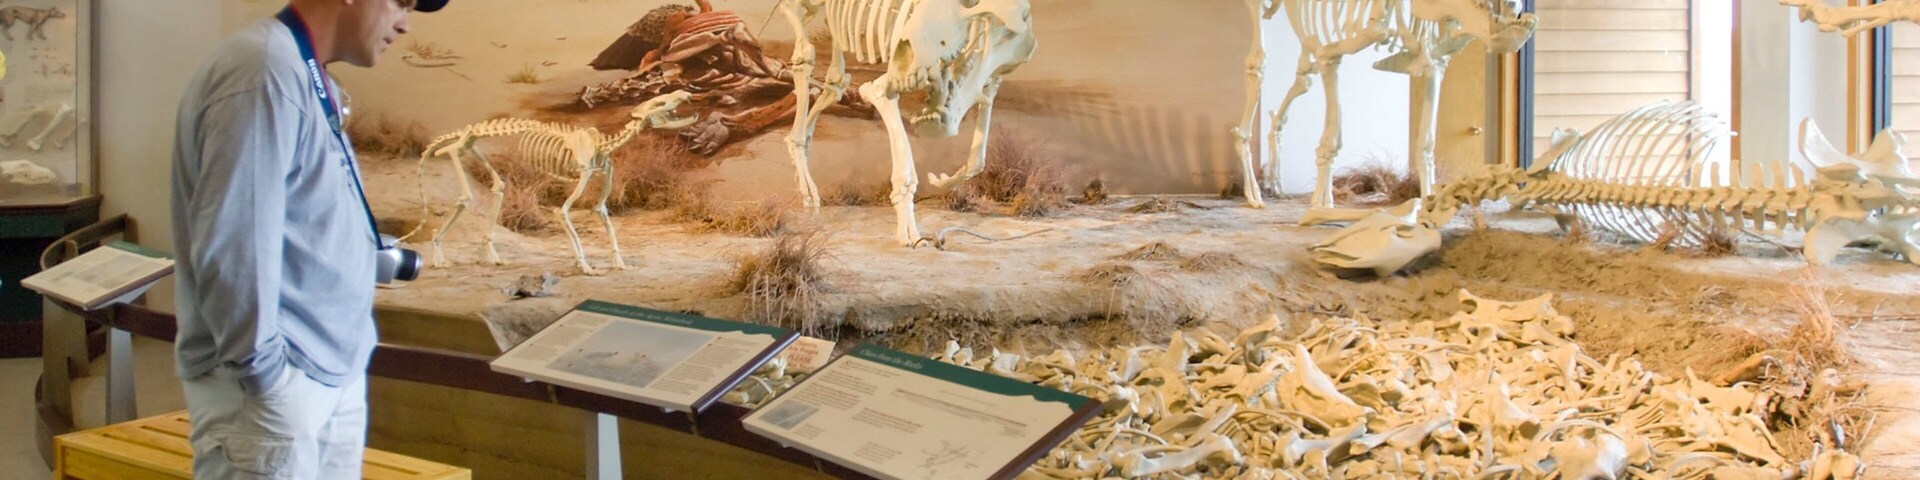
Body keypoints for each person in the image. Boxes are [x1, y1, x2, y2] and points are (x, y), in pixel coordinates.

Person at [170, 0, 447, 477]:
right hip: (276, 388)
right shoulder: (261, 71)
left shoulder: (297, 69)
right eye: (400, 2)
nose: (404, 22)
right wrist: (265, 376)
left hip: (325, 372)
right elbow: (234, 245)